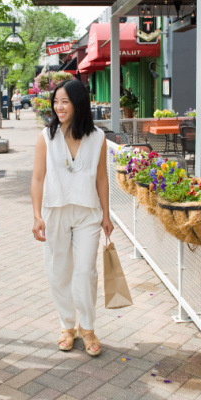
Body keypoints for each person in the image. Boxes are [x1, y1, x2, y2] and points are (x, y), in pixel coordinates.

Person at [30, 79, 114, 357]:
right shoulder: (46, 136)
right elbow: (38, 177)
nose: (59, 106)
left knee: (85, 271)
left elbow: (102, 178)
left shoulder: (98, 137)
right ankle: (67, 325)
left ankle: (87, 327)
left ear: (79, 103)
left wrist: (106, 214)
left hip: (88, 212)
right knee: (58, 270)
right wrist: (36, 215)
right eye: (56, 101)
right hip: (55, 211)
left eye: (64, 101)